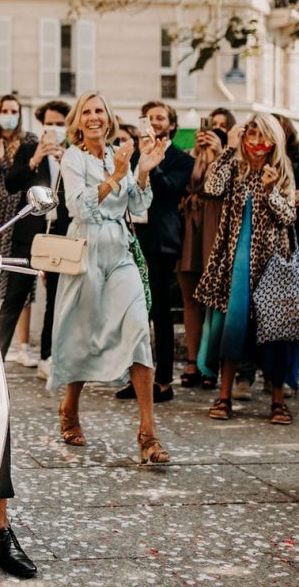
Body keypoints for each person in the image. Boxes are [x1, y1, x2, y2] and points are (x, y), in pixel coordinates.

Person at [50, 91, 171, 464]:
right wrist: (118, 175)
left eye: (99, 110)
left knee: (138, 332)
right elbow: (77, 206)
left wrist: (143, 170)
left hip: (120, 252)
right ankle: (70, 408)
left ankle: (148, 433)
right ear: (78, 121)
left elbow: (137, 205)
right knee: (82, 333)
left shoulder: (116, 152)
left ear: (109, 117)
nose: (93, 117)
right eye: (86, 112)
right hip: (85, 250)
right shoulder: (72, 157)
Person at [196, 113, 297, 424]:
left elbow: (288, 218)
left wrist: (270, 193)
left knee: (276, 333)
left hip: (272, 267)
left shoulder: (281, 171)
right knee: (232, 327)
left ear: (273, 141)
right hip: (234, 264)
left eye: (261, 137)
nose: (255, 144)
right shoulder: (235, 167)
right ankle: (223, 396)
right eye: (250, 136)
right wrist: (228, 149)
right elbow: (211, 187)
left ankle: (277, 401)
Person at [117, 101, 193, 405]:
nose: (154, 122)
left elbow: (170, 191)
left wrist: (153, 161)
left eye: (160, 118)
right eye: (149, 118)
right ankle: (134, 377)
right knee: (133, 312)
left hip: (161, 241)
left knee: (159, 311)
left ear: (171, 124)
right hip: (131, 236)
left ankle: (163, 379)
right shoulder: (132, 152)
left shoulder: (180, 159)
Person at [4, 100, 71, 378]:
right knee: (14, 297)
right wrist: (35, 160)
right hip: (28, 233)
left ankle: (48, 356)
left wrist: (64, 160)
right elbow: (11, 183)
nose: (54, 129)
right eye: (49, 123)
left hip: (60, 233)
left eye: (59, 123)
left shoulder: (73, 153)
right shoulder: (29, 148)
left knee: (56, 297)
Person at [176, 120, 227, 390]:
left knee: (217, 302)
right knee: (191, 300)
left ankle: (212, 364)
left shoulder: (229, 160)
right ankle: (193, 361)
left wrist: (219, 154)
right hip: (190, 232)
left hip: (216, 230)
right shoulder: (188, 159)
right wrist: (196, 154)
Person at [0, 95, 30, 352]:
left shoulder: (28, 141)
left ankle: (21, 345)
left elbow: (25, 175)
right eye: (5, 110)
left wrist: (8, 160)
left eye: (14, 110)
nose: (10, 114)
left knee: (19, 278)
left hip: (19, 210)